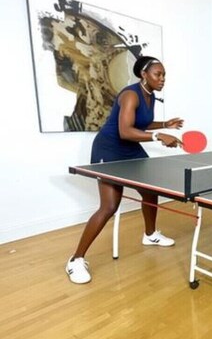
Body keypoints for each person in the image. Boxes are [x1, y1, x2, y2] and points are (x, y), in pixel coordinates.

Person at [66, 56, 184, 284]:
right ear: (144, 75)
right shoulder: (130, 95)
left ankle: (150, 235)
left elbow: (140, 123)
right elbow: (125, 131)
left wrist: (164, 124)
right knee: (109, 206)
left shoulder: (150, 95)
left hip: (130, 148)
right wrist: (159, 136)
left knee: (151, 191)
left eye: (164, 75)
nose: (162, 79)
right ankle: (75, 259)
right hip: (109, 149)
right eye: (158, 74)